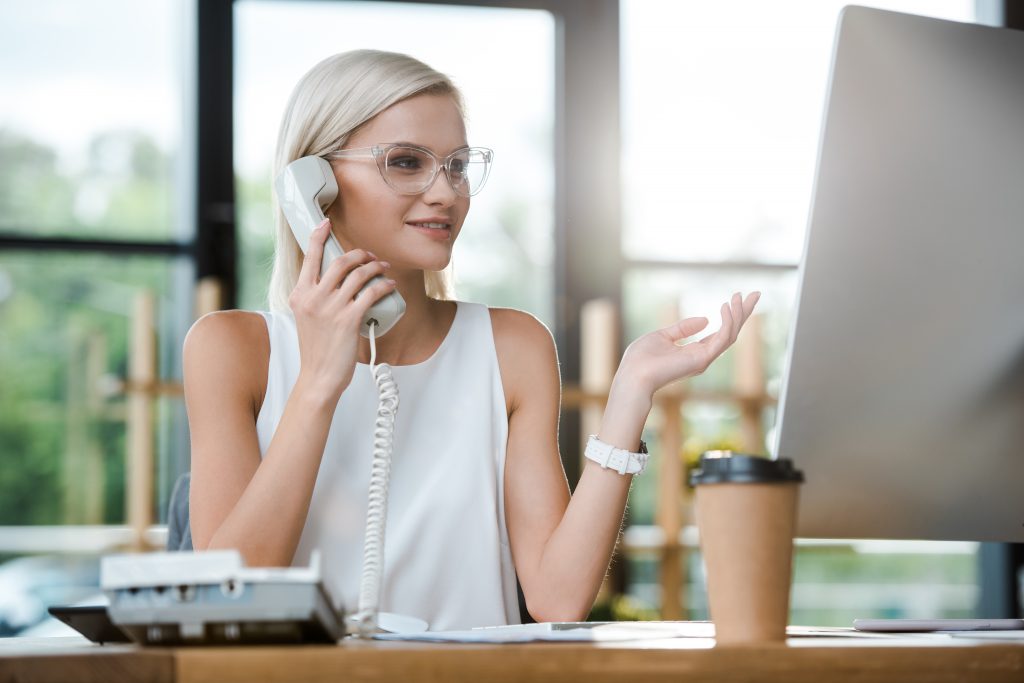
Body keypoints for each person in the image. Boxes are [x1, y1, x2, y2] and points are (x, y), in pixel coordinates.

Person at [183, 49, 759, 631]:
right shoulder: (232, 350)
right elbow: (227, 597)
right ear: (314, 184)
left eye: (457, 166)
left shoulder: (513, 347)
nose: (446, 193)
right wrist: (317, 385)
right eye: (407, 162)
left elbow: (558, 599)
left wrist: (631, 393)